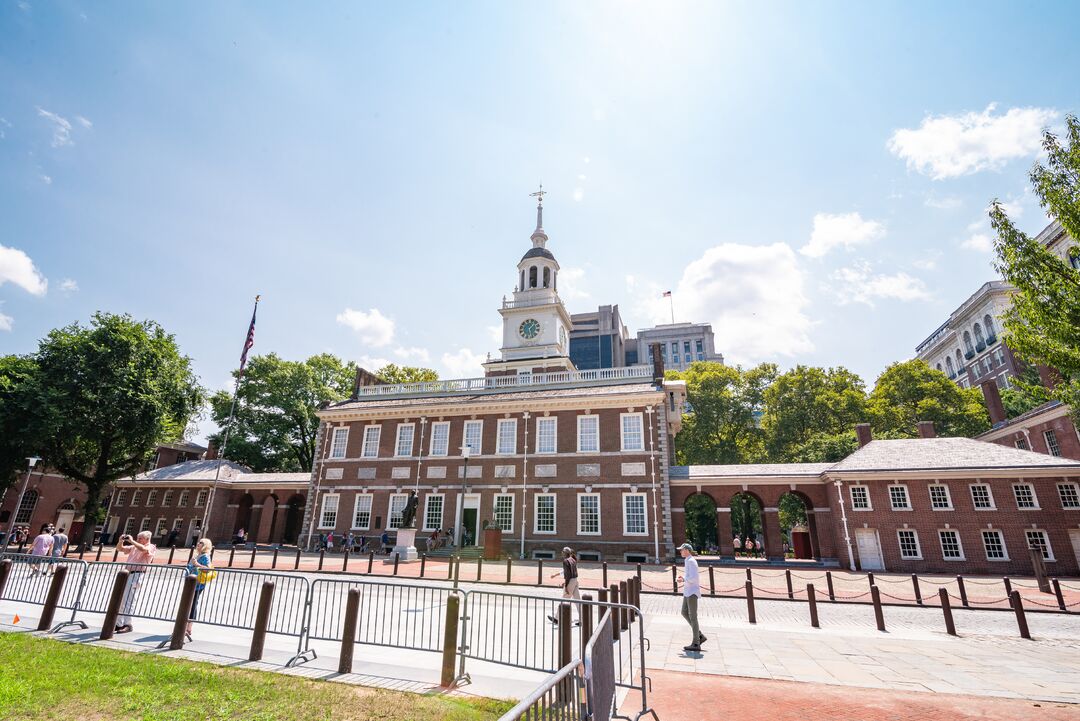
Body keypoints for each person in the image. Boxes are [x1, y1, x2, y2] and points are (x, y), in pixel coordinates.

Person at [115, 530, 158, 633]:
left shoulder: (151, 546)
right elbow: (120, 549)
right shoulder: (134, 546)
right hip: (127, 573)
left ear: (147, 539)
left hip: (137, 574)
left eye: (140, 538)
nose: (138, 540)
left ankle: (127, 624)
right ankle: (118, 623)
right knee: (122, 599)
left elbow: (143, 549)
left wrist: (133, 541)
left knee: (130, 599)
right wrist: (121, 541)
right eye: (137, 538)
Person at [676, 542, 705, 652]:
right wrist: (682, 577)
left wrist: (683, 579)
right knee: (684, 612)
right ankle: (700, 635)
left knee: (693, 617)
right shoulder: (687, 560)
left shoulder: (692, 562)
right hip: (687, 591)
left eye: (682, 550)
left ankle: (696, 643)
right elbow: (689, 576)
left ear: (687, 550)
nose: (680, 551)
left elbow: (694, 578)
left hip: (692, 592)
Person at [185, 538, 215, 641]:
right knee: (188, 603)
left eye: (201, 543)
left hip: (198, 584)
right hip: (190, 583)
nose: (198, 544)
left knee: (192, 603)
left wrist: (197, 564)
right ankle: (185, 626)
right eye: (199, 542)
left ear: (206, 545)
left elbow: (207, 569)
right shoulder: (197, 555)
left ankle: (188, 627)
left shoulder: (205, 556)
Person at [547, 547, 581, 626]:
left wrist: (566, 585)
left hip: (570, 581)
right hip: (575, 580)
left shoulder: (566, 561)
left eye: (562, 552)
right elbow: (571, 572)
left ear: (565, 553)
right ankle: (583, 619)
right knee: (578, 600)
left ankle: (557, 619)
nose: (562, 553)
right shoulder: (573, 559)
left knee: (564, 599)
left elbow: (567, 575)